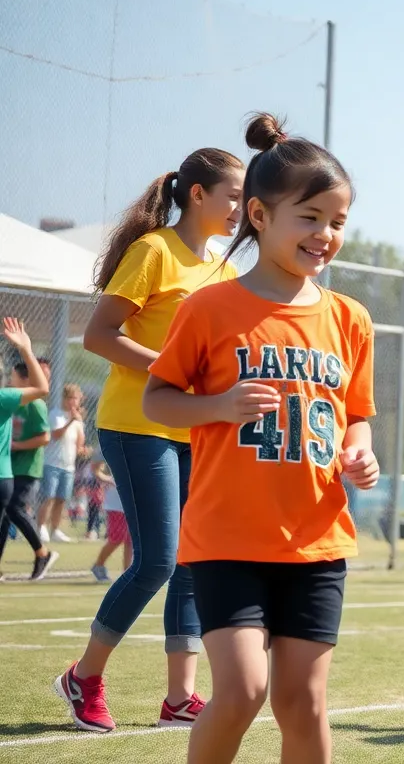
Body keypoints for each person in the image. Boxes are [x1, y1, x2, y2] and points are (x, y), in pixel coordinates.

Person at [141, 113, 378, 764]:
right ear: (259, 214)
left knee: (303, 703)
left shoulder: (351, 320)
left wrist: (361, 450)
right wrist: (218, 404)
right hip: (226, 538)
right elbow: (156, 397)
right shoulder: (209, 309)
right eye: (310, 217)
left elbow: (355, 412)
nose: (325, 235)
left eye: (337, 222)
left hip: (317, 540)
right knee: (243, 691)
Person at [54, 146, 244, 733]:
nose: (242, 208)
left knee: (194, 560)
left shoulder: (227, 270)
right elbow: (98, 334)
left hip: (197, 430)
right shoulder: (152, 251)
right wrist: (169, 366)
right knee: (159, 559)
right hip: (136, 425)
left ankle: (179, 699)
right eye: (234, 196)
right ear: (197, 195)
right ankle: (82, 678)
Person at [0, 319, 55, 581]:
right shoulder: (10, 399)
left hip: (23, 468)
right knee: (6, 516)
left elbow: (45, 437)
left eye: (12, 375)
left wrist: (16, 445)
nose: (9, 379)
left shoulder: (27, 403)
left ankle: (42, 552)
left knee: (14, 511)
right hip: (10, 468)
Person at [38, 383, 87, 543]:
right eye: (72, 398)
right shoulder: (56, 415)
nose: (75, 402)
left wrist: (84, 449)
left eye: (77, 399)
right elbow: (57, 435)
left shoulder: (77, 420)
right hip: (52, 463)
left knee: (61, 499)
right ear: (65, 399)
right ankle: (41, 528)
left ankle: (55, 530)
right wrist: (71, 421)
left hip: (69, 466)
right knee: (48, 497)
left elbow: (79, 445)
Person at [92, 465, 131, 583]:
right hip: (116, 504)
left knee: (131, 540)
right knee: (116, 539)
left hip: (132, 503)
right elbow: (95, 469)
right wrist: (109, 479)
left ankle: (128, 572)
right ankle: (98, 565)